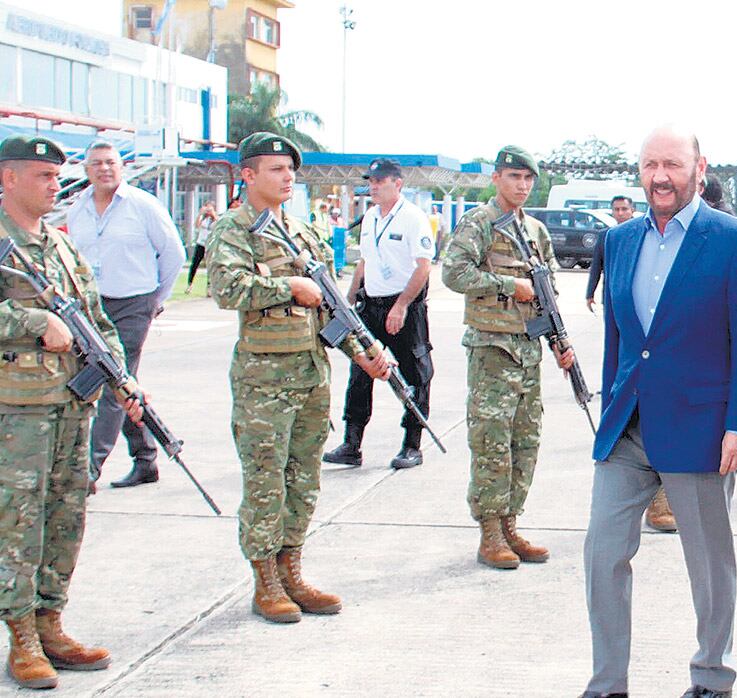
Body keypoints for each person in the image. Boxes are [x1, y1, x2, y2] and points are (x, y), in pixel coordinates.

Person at [580, 126, 737, 698]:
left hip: (702, 432)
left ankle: (713, 678)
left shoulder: (736, 241)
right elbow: (622, 339)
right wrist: (615, 400)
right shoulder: (619, 241)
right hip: (628, 429)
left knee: (709, 567)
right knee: (602, 554)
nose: (660, 176)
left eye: (671, 164)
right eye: (649, 165)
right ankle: (608, 682)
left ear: (699, 168)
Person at [206, 132, 391, 623]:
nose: (287, 177)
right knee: (266, 481)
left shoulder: (305, 232)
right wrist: (286, 285)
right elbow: (225, 287)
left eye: (290, 170)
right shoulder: (235, 229)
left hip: (310, 374)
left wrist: (364, 352)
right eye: (275, 169)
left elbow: (332, 308)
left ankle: (292, 569)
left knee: (303, 480)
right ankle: (265, 580)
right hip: (264, 380)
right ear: (248, 175)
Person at [0, 135, 148, 689]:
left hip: (71, 409)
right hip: (16, 413)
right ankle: (20, 637)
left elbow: (96, 319)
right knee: (19, 523)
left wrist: (123, 380)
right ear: (9, 178)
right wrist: (32, 323)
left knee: (66, 518)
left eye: (57, 174)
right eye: (42, 175)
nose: (55, 183)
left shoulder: (62, 248)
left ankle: (50, 623)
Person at [441, 145, 576, 570]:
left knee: (525, 442)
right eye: (514, 177)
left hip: (528, 351)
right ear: (497, 178)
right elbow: (453, 273)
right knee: (492, 444)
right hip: (492, 352)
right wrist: (507, 285)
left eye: (528, 179)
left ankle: (511, 524)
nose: (522, 185)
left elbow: (548, 287)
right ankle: (490, 534)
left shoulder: (535, 230)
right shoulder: (479, 223)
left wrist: (560, 340)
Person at [66, 141, 186, 490]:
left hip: (134, 303)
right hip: (92, 306)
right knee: (123, 382)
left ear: (122, 167)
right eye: (96, 163)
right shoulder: (78, 209)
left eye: (111, 162)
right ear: (86, 170)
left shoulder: (142, 205)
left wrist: (155, 299)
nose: (104, 169)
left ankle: (90, 469)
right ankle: (145, 458)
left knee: (111, 380)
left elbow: (173, 254)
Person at [323, 158, 436, 470]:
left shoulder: (413, 218)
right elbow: (364, 261)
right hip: (370, 306)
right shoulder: (370, 217)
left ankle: (412, 445)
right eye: (371, 181)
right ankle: (351, 443)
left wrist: (400, 305)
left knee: (415, 374)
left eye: (379, 181)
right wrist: (348, 299)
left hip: (404, 307)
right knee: (361, 372)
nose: (372, 186)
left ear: (397, 184)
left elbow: (423, 266)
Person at [586, 195, 635, 313]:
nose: (620, 213)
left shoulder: (643, 234)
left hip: (635, 296)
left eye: (624, 209)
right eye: (616, 209)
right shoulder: (605, 236)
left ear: (632, 210)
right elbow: (596, 267)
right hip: (611, 296)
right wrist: (590, 294)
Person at [186, 199, 218, 291]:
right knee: (195, 264)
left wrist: (213, 214)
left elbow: (218, 225)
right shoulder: (203, 218)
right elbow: (196, 225)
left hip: (210, 244)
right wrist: (200, 214)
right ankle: (190, 284)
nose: (208, 211)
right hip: (201, 243)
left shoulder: (216, 218)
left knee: (210, 265)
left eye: (210, 208)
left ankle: (209, 287)